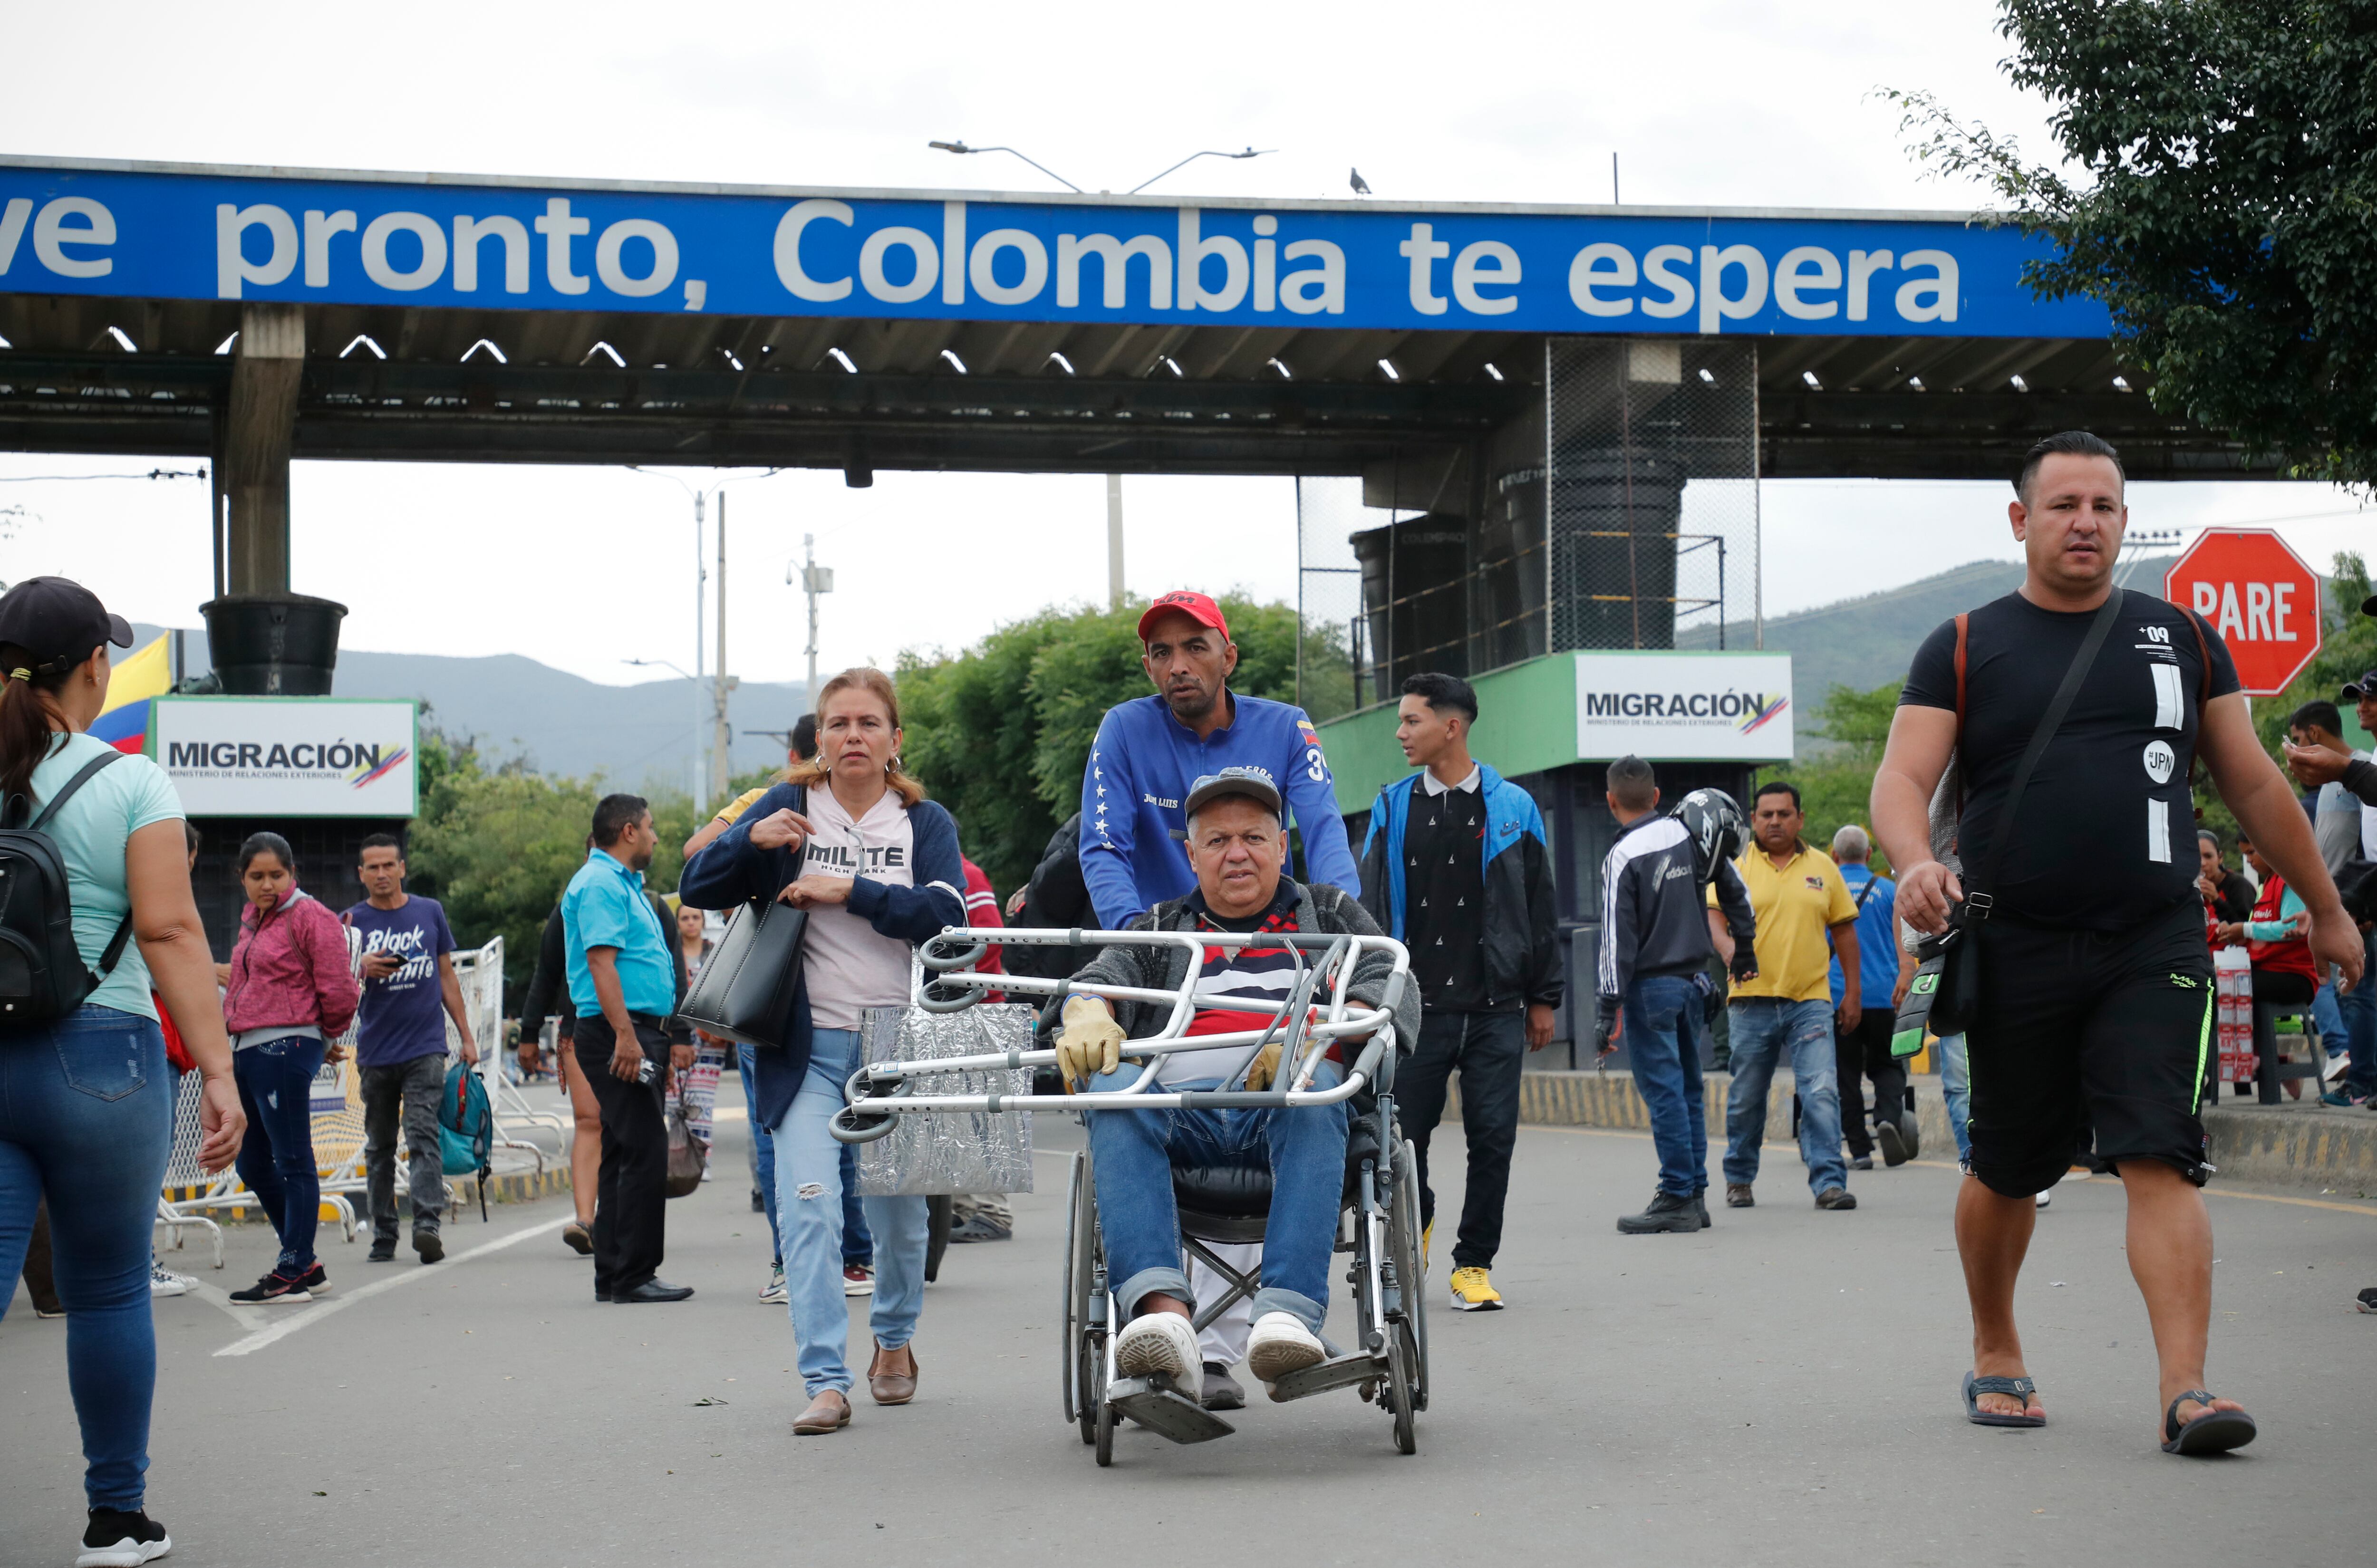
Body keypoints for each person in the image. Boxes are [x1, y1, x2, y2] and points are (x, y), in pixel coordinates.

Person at [1872, 429, 2361, 1455]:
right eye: (2063, 505)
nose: (2085, 520)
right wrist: (1915, 857)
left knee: (2159, 1153)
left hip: (2155, 940)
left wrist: (2324, 906)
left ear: (2123, 519)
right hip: (2015, 945)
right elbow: (1902, 778)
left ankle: (2185, 1388)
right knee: (2008, 1163)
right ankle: (1996, 1339)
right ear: (2022, 520)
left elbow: (2254, 784)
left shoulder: (2181, 637)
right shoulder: (1963, 641)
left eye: (2103, 504)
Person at [0, 577, 244, 1567]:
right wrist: (219, 1069)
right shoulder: (131, 780)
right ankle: (116, 1518)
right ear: (95, 666)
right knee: (105, 1291)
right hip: (102, 1052)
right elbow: (171, 928)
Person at [1053, 767, 1418, 1402]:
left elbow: (1390, 974)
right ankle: (1163, 1319)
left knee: (1310, 1080)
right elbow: (1100, 973)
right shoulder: (1162, 926)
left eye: (1253, 836)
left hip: (1291, 1110)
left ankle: (1285, 1317)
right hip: (1179, 1121)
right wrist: (1086, 1008)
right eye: (1218, 841)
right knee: (1113, 1089)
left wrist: (1336, 1029)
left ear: (1282, 845)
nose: (1238, 853)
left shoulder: (1326, 912)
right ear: (1192, 856)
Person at [1079, 589, 1361, 1402]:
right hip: (1174, 955)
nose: (1177, 665)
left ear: (1227, 654)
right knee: (1127, 1086)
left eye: (1193, 647)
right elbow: (1103, 842)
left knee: (1302, 1083)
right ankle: (1175, 1328)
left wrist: (1337, 939)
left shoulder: (1284, 726)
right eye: (1160, 653)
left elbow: (1325, 829)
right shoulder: (1125, 729)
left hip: (1288, 959)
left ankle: (1260, 1327)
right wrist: (1141, 956)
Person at [679, 668, 964, 1436]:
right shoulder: (788, 807)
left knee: (901, 1225)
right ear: (820, 736)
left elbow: (946, 915)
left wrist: (849, 890)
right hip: (804, 1049)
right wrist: (748, 839)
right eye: (838, 723)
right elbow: (695, 885)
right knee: (809, 1207)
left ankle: (895, 1339)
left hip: (896, 1046)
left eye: (869, 723)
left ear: (894, 739)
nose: (853, 736)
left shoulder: (921, 819)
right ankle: (826, 1379)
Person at [1356, 672, 1559, 1309]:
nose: (1400, 732)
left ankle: (1474, 1264)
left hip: (1496, 1005)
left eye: (1411, 720)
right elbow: (1368, 910)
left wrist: (1543, 996)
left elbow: (1539, 907)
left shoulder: (1515, 807)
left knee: (1493, 1137)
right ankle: (1419, 1215)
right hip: (1414, 1007)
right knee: (1400, 1134)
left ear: (1452, 726)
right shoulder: (1391, 806)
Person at [680, 718, 877, 1300]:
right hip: (796, 988)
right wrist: (752, 842)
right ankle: (845, 1259)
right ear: (816, 750)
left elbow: (694, 845)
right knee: (834, 1123)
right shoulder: (779, 801)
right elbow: (698, 863)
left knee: (783, 1124)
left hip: (787, 991)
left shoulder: (766, 797)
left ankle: (799, 1261)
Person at [1594, 765, 1757, 1233]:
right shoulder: (1690, 836)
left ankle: (1675, 1195)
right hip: (1693, 984)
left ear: (1611, 800)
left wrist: (1606, 1010)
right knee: (1688, 1091)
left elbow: (1614, 940)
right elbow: (1736, 893)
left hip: (1650, 989)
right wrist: (1743, 949)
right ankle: (1695, 1192)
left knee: (1663, 1093)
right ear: (1657, 795)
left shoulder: (1622, 854)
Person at [563, 793, 696, 1306]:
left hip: (636, 1028)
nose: (656, 835)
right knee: (645, 1149)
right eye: (651, 826)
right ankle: (635, 1273)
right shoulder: (599, 883)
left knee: (622, 1148)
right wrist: (626, 1036)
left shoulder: (623, 883)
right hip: (620, 1031)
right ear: (627, 831)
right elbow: (601, 964)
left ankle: (614, 1273)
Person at [218, 830, 360, 1302]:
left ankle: (294, 1265)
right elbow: (241, 985)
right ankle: (307, 1262)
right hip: (246, 1049)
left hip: (285, 1047)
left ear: (292, 873)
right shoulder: (253, 923)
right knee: (253, 1162)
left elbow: (340, 988)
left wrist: (322, 1036)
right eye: (256, 875)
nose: (267, 884)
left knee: (294, 1159)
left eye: (276, 874)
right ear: (242, 879)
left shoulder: (310, 916)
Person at [1710, 780, 1862, 1211]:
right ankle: (1739, 1177)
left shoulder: (1823, 867)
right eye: (1766, 814)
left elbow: (1845, 933)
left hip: (1810, 1001)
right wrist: (1729, 951)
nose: (1775, 821)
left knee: (1821, 1091)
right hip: (1749, 1001)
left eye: (1784, 813)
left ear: (1800, 818)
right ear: (1753, 819)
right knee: (1746, 1098)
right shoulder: (1733, 865)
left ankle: (1830, 1182)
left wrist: (1851, 993)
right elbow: (1713, 919)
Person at [345, 832, 477, 1265]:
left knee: (422, 1134)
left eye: (389, 865)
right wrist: (359, 965)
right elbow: (331, 983)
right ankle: (384, 1231)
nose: (382, 874)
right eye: (373, 867)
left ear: (402, 868)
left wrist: (466, 1035)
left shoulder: (429, 912)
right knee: (380, 1146)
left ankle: (427, 1223)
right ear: (361, 874)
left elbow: (446, 976)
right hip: (376, 1053)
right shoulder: (349, 923)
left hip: (426, 1048)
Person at [2279, 697, 2377, 1107]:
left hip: (2356, 906)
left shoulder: (2357, 771)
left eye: (2300, 740)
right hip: (2345, 905)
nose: (2362, 707)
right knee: (2352, 992)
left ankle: (2362, 1079)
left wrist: (2356, 906)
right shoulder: (2333, 782)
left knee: (2359, 992)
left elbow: (2365, 846)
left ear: (2314, 735)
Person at [1829, 825, 1915, 1169]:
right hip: (1885, 994)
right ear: (1868, 856)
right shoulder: (1889, 890)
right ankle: (1888, 1119)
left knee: (1845, 1073)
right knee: (1889, 1065)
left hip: (1838, 996)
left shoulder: (1827, 890)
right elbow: (1906, 938)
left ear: (1835, 856)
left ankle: (1860, 1150)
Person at [2217, 833, 2317, 1099]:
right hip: (2267, 970)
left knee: (2223, 986)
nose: (2248, 861)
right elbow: (2260, 931)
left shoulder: (2289, 882)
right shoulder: (2267, 885)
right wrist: (2238, 934)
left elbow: (2292, 926)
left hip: (2295, 976)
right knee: (2219, 981)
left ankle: (2252, 1058)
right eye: (2245, 854)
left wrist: (2246, 929)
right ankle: (2273, 1060)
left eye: (2252, 853)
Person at [948, 849, 1015, 1244]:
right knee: (952, 1118)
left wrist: (953, 973)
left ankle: (993, 1211)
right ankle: (963, 1207)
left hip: (978, 1008)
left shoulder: (967, 875)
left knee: (985, 1119)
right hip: (955, 1006)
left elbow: (990, 935)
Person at [669, 900, 728, 1177]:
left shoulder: (716, 953)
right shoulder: (671, 955)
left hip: (709, 1039)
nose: (691, 922)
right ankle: (676, 1160)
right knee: (673, 1098)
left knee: (702, 1099)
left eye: (695, 917)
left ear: (703, 922)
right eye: (685, 918)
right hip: (677, 1035)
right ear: (678, 923)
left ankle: (701, 1162)